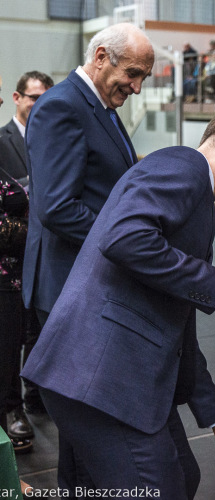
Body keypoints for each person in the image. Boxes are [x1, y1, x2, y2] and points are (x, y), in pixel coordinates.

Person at [21, 108, 215, 496]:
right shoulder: (185, 165)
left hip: (97, 375)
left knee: (183, 476)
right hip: (101, 378)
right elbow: (124, 237)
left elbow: (179, 328)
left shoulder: (189, 184)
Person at [22, 23, 155, 329]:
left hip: (86, 279)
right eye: (133, 73)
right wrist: (126, 239)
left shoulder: (98, 105)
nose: (137, 88)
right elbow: (57, 208)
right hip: (66, 285)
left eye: (143, 78)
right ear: (100, 57)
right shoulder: (61, 105)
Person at [0, 71, 53, 449]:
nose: (38, 105)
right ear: (18, 97)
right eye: (33, 97)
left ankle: (34, 393)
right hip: (12, 255)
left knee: (34, 331)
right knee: (9, 339)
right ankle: (12, 406)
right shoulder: (1, 140)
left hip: (35, 258)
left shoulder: (52, 136)